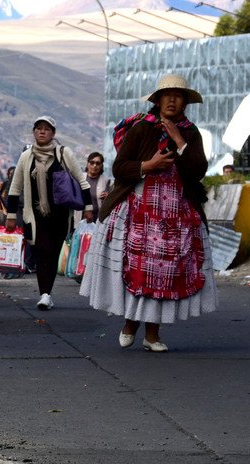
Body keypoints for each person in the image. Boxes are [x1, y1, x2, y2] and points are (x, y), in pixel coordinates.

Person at [80, 74, 217, 352]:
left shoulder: (191, 133)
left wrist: (179, 140)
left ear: (185, 102)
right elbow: (120, 167)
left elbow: (198, 170)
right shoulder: (143, 128)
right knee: (139, 269)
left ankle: (153, 334)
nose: (172, 100)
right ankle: (130, 323)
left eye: (178, 96)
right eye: (166, 95)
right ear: (157, 99)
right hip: (139, 210)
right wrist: (148, 164)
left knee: (166, 272)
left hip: (176, 213)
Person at [5, 116, 93, 310]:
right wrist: (11, 215)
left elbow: (82, 181)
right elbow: (15, 187)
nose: (42, 132)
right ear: (34, 132)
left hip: (60, 215)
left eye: (46, 129)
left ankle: (47, 293)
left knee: (52, 254)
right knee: (41, 252)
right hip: (35, 216)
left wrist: (88, 208)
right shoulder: (26, 157)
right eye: (38, 128)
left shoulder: (63, 153)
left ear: (53, 133)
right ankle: (44, 294)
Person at [78, 152, 112, 223]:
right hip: (79, 217)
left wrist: (108, 197)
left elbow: (111, 201)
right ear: (87, 164)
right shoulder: (80, 178)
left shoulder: (107, 181)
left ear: (101, 166)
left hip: (96, 219)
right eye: (92, 162)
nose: (94, 165)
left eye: (98, 163)